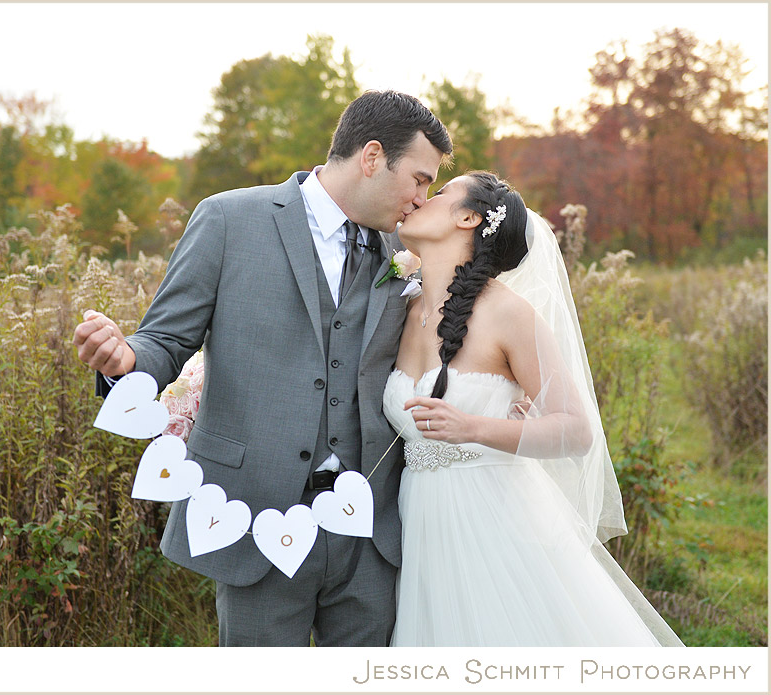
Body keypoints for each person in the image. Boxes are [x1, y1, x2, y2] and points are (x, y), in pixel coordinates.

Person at [72, 90, 453, 646]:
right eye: (419, 179)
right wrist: (125, 361)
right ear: (372, 158)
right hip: (252, 515)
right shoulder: (229, 219)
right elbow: (165, 337)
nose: (423, 199)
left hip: (371, 534)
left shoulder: (406, 246)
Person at [384, 170, 683, 646]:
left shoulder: (510, 314)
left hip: (493, 521)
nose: (422, 200)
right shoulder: (398, 304)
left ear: (468, 217)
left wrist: (473, 427)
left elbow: (575, 431)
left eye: (440, 193)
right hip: (416, 522)